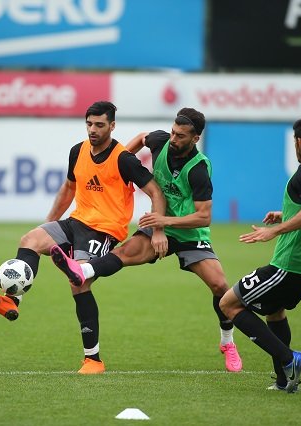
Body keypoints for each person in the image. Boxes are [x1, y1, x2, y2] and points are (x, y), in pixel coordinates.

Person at [0, 101, 167, 374]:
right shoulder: (78, 151)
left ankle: (93, 360)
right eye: (89, 124)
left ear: (112, 126)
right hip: (75, 222)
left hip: (104, 230)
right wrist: (48, 224)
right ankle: (12, 300)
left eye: (99, 125)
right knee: (30, 240)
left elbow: (156, 193)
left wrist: (158, 230)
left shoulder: (124, 159)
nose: (93, 130)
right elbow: (68, 188)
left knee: (79, 282)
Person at [49, 107, 243, 372]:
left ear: (195, 138)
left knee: (220, 285)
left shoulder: (199, 169)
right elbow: (142, 137)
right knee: (124, 252)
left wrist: (163, 223)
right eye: (172, 132)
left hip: (189, 232)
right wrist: (117, 166)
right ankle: (83, 271)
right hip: (159, 223)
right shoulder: (160, 141)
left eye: (180, 136)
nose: (173, 139)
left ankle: (227, 343)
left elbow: (203, 217)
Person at [219, 116, 301, 393]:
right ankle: (284, 381)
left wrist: (276, 230)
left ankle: (290, 359)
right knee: (275, 312)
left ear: (299, 142)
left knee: (228, 304)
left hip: (289, 264)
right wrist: (288, 215)